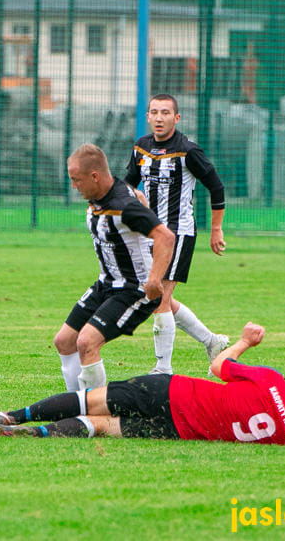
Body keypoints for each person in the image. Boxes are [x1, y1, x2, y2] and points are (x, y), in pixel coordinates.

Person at [0, 322, 285, 446]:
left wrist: (245, 343)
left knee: (91, 400)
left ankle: (12, 416)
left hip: (175, 392)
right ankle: (30, 433)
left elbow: (218, 366)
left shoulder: (272, 382)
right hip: (182, 431)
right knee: (104, 426)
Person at [54, 143, 175, 392]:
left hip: (133, 289)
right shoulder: (103, 194)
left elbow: (165, 236)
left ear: (94, 176)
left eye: (76, 180)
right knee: (65, 341)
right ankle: (76, 404)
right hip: (106, 283)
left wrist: (154, 280)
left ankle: (94, 414)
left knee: (86, 342)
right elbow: (139, 198)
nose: (74, 186)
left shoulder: (123, 205)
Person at [124, 93, 228, 375]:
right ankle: (213, 341)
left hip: (178, 233)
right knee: (156, 295)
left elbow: (216, 187)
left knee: (158, 297)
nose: (159, 118)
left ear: (176, 118)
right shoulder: (141, 147)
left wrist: (215, 229)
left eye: (165, 113)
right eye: (154, 112)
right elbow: (128, 185)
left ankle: (163, 369)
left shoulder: (188, 151)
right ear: (147, 116)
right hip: (149, 234)